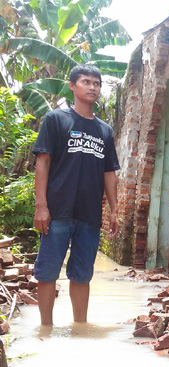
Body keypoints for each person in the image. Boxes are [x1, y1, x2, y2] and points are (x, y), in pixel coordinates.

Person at [32, 64, 120, 326]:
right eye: (86, 81)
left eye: (96, 83)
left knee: (82, 275)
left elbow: (109, 173)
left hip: (89, 214)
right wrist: (41, 206)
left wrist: (114, 210)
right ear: (72, 85)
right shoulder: (56, 119)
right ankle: (45, 328)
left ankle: (80, 327)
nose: (92, 87)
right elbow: (43, 163)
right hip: (57, 211)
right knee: (47, 273)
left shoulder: (104, 131)